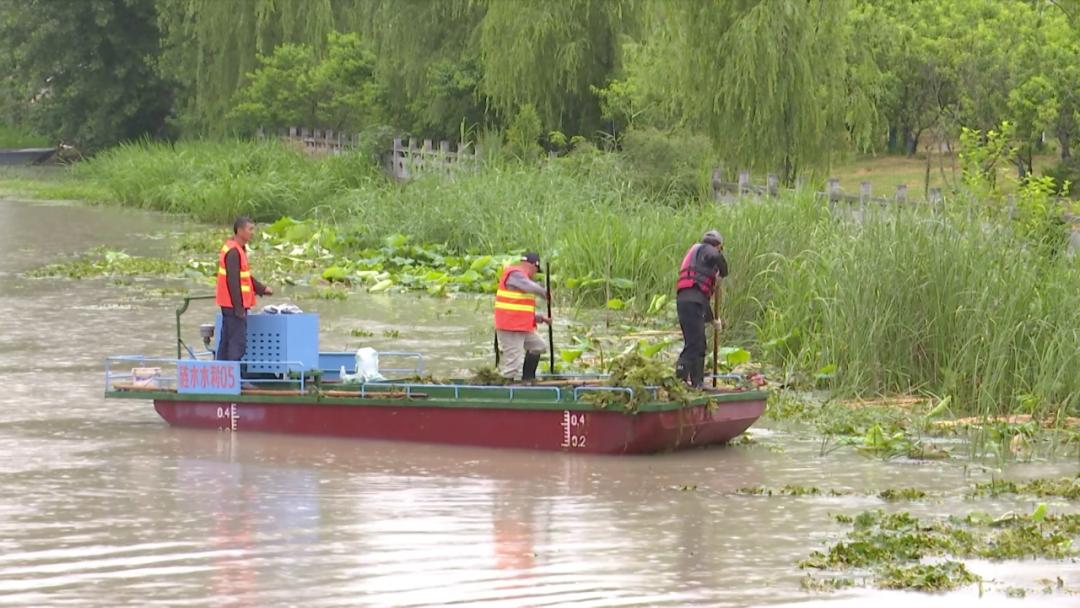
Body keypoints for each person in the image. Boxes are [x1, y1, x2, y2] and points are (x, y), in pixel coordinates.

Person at [675, 230, 728, 388]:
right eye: (720, 248)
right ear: (717, 246)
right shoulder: (707, 249)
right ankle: (680, 380)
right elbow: (715, 257)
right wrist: (722, 273)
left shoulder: (698, 259)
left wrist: (712, 320)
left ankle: (696, 382)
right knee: (694, 344)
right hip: (692, 302)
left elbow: (701, 298)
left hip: (686, 302)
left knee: (698, 344)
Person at [216, 216, 272, 362]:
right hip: (234, 306)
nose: (252, 232)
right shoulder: (234, 252)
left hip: (230, 305)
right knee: (236, 343)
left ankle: (224, 376)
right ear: (240, 231)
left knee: (227, 341)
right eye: (250, 229)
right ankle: (233, 379)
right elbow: (232, 282)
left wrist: (261, 289)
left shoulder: (237, 249)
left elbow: (245, 277)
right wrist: (239, 309)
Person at [494, 252, 551, 381]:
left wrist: (540, 318)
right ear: (532, 265)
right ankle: (503, 390)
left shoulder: (523, 278)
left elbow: (521, 310)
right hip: (510, 327)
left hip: (521, 326)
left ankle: (528, 379)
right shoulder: (515, 274)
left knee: (538, 346)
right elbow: (532, 288)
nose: (535, 274)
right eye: (536, 270)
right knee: (513, 364)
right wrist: (545, 293)